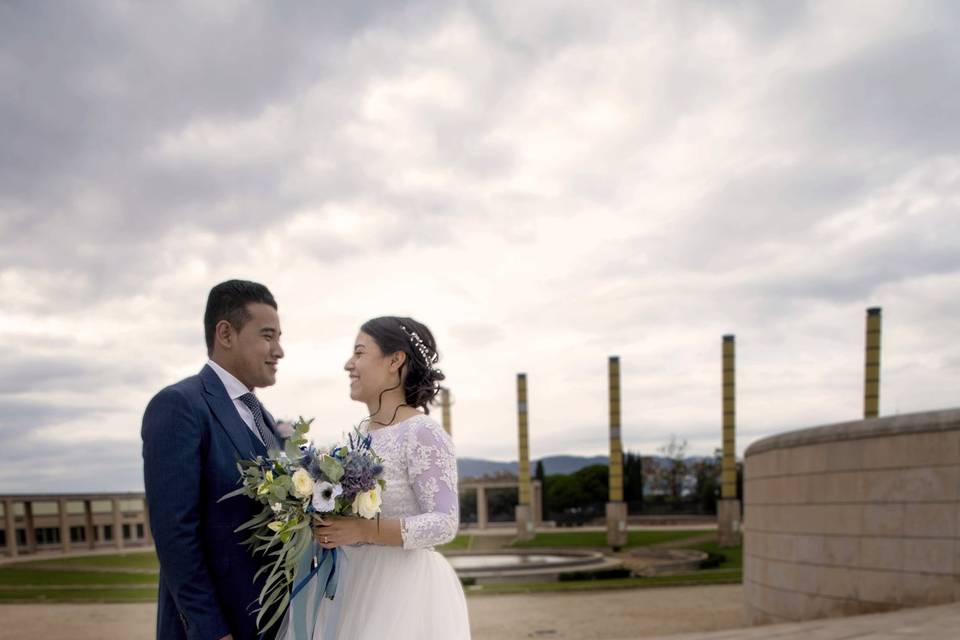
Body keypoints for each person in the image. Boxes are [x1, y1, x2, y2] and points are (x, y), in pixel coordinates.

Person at [307, 316, 470, 639]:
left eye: (359, 353)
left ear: (395, 360)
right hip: (348, 584)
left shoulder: (422, 433)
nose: (348, 364)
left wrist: (364, 529)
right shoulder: (355, 436)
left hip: (403, 592)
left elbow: (444, 521)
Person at [142, 280, 287, 640]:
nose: (279, 350)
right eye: (268, 336)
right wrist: (211, 631)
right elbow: (176, 536)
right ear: (226, 333)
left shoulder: (264, 419)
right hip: (220, 628)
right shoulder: (180, 406)